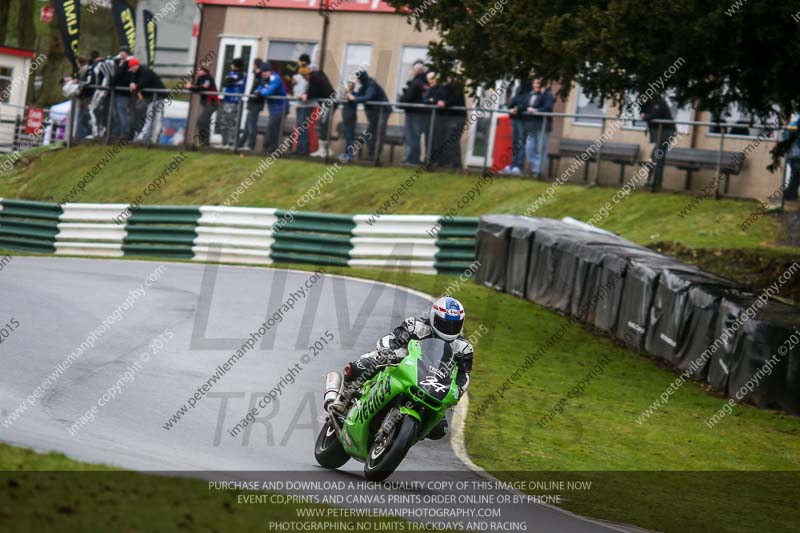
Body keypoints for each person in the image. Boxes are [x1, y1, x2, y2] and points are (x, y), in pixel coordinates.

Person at [330, 296, 472, 440]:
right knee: (364, 365)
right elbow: (391, 339)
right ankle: (343, 398)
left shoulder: (464, 348)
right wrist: (387, 351)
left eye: (455, 325)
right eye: (445, 324)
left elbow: (464, 374)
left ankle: (408, 434)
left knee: (440, 430)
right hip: (399, 363)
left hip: (430, 382)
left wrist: (458, 391)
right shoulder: (415, 326)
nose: (449, 329)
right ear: (434, 317)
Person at [298, 54, 336, 158]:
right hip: (329, 102)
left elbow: (312, 92)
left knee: (323, 124)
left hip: (329, 103)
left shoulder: (313, 78)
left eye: (304, 78)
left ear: (306, 75)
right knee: (324, 125)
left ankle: (324, 150)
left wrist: (305, 96)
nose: (305, 80)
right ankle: (326, 150)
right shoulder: (318, 74)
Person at [349, 70, 391, 161]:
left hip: (381, 113)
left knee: (377, 133)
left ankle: (374, 156)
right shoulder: (365, 86)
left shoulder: (372, 85)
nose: (357, 81)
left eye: (358, 79)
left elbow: (368, 97)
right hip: (375, 114)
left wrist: (354, 98)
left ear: (361, 78)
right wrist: (350, 93)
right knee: (371, 133)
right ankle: (372, 155)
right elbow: (360, 95)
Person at [640, 96, 676, 190]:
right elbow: (642, 112)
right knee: (654, 156)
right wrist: (644, 115)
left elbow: (655, 114)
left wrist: (646, 116)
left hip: (667, 132)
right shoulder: (647, 102)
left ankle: (655, 183)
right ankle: (651, 181)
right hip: (660, 133)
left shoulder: (659, 101)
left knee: (657, 156)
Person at [128, 57, 166, 143]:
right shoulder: (137, 73)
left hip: (158, 97)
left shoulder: (145, 72)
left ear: (136, 65)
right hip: (152, 98)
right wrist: (132, 84)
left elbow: (143, 83)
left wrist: (135, 87)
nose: (132, 70)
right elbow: (134, 80)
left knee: (157, 119)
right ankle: (145, 137)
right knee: (149, 118)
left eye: (132, 67)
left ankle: (154, 139)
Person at [523, 79, 555, 177]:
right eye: (535, 83)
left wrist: (535, 110)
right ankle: (536, 168)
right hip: (532, 126)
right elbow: (524, 105)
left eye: (539, 83)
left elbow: (548, 108)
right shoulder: (530, 94)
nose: (537, 85)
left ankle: (538, 172)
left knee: (542, 149)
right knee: (529, 148)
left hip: (543, 126)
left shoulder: (547, 94)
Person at [399, 61, 429, 165]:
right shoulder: (425, 83)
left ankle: (410, 159)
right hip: (421, 114)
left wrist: (401, 99)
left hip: (413, 113)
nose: (411, 72)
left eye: (413, 69)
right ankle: (415, 159)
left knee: (411, 136)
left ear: (417, 71)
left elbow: (407, 98)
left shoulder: (416, 83)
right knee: (415, 136)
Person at [501, 81, 532, 175]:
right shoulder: (520, 88)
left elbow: (526, 103)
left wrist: (517, 108)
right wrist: (513, 108)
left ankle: (519, 166)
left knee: (520, 143)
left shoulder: (529, 88)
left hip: (523, 120)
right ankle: (512, 165)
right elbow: (514, 101)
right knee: (514, 143)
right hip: (514, 119)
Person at [257, 62, 288, 154]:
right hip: (273, 108)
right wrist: (259, 91)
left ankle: (273, 150)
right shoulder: (265, 79)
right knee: (272, 127)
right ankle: (268, 148)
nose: (263, 74)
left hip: (281, 107)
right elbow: (259, 88)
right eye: (262, 72)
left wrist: (260, 92)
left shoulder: (275, 78)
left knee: (273, 127)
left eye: (266, 71)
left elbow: (268, 92)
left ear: (270, 71)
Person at [219, 58, 247, 148]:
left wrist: (228, 81)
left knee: (230, 123)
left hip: (233, 101)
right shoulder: (236, 75)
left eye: (232, 64)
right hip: (228, 100)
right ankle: (225, 142)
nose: (231, 65)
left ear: (235, 65)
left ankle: (230, 143)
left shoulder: (238, 75)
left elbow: (225, 83)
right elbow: (226, 83)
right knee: (225, 122)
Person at [189, 65, 220, 147]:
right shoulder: (199, 79)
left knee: (202, 121)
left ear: (204, 71)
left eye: (199, 70)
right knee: (203, 122)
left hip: (212, 103)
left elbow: (204, 87)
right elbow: (196, 87)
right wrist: (190, 87)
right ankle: (204, 142)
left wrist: (191, 87)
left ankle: (205, 142)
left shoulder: (208, 78)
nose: (197, 72)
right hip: (206, 103)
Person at [422, 71, 448, 167]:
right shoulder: (430, 89)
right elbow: (424, 100)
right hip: (429, 119)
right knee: (428, 139)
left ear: (436, 78)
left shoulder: (441, 88)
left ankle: (435, 161)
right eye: (429, 79)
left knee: (437, 140)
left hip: (439, 119)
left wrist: (432, 100)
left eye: (432, 79)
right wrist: (430, 100)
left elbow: (439, 101)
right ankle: (428, 159)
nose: (430, 81)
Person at [442, 76, 467, 169]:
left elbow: (454, 100)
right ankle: (452, 163)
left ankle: (456, 164)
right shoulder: (447, 87)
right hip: (453, 117)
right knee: (450, 140)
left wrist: (445, 103)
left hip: (457, 118)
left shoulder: (455, 87)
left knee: (452, 140)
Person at [239, 59, 263, 151]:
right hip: (252, 103)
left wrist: (253, 98)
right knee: (247, 124)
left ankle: (251, 145)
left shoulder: (260, 76)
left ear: (256, 65)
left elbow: (259, 89)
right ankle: (241, 144)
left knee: (251, 125)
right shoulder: (256, 75)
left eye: (253, 64)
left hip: (256, 103)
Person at [89, 53, 115, 139]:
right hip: (102, 90)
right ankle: (99, 131)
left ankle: (97, 131)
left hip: (101, 91)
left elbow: (107, 76)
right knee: (99, 110)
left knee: (93, 110)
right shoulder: (104, 64)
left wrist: (104, 89)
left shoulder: (101, 64)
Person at [110, 46, 132, 139]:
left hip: (124, 93)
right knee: (116, 114)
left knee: (123, 113)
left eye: (123, 52)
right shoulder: (119, 63)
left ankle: (125, 133)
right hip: (117, 91)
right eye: (120, 52)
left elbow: (119, 74)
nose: (121, 54)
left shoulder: (128, 63)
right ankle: (117, 132)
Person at [292, 66, 311, 155]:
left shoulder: (308, 78)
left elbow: (309, 90)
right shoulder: (298, 77)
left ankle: (304, 148)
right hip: (298, 104)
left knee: (303, 125)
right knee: (299, 125)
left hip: (305, 105)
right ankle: (299, 147)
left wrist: (304, 95)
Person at [339, 81, 358, 162]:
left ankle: (350, 155)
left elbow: (353, 101)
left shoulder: (354, 94)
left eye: (348, 86)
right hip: (345, 117)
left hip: (351, 117)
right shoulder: (345, 94)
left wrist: (348, 94)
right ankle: (347, 154)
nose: (346, 87)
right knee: (347, 135)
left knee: (350, 136)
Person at [785, 119, 800, 204]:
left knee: (795, 176)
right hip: (795, 155)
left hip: (794, 155)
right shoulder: (794, 126)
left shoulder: (794, 124)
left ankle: (792, 195)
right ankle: (789, 195)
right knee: (796, 175)